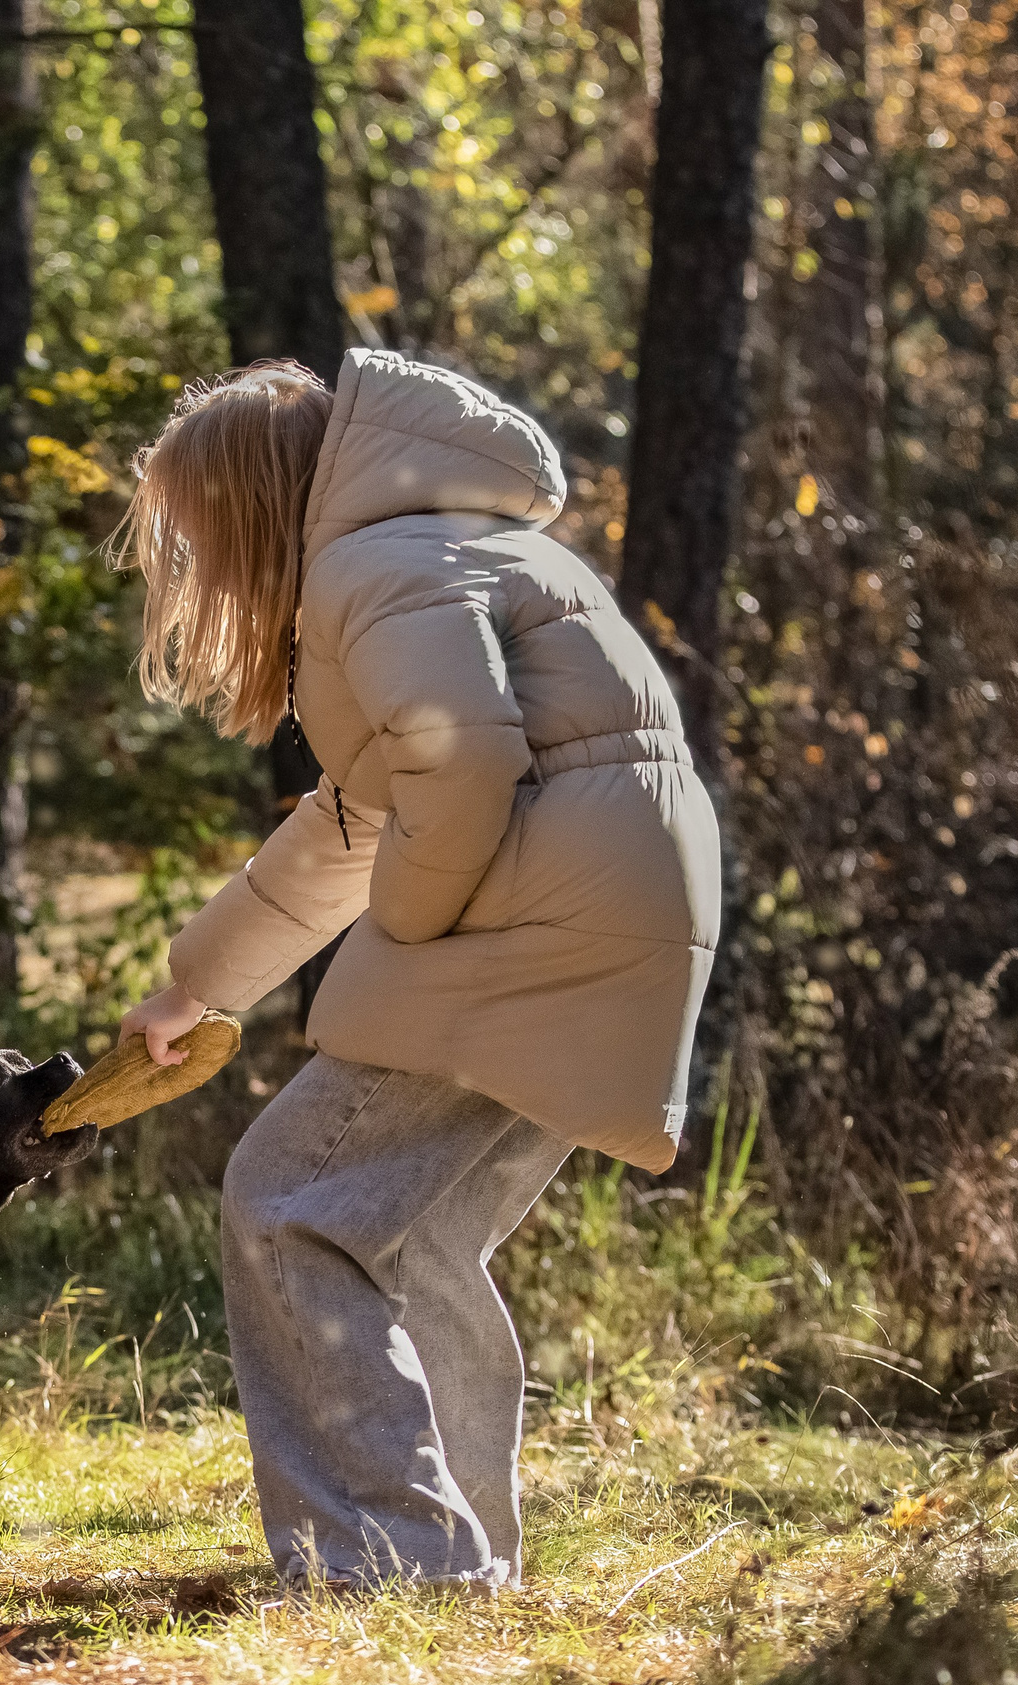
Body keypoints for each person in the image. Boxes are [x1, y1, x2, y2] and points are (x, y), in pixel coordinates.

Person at [114, 349, 721, 1590]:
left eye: (194, 531)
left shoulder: (372, 569)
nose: (191, 564)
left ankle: (385, 1559)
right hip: (615, 920)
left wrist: (418, 923)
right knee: (412, 1238)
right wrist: (198, 985)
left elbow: (460, 768)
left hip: (536, 926)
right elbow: (353, 822)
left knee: (290, 1200)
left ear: (247, 504)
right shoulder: (446, 548)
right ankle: (458, 1556)